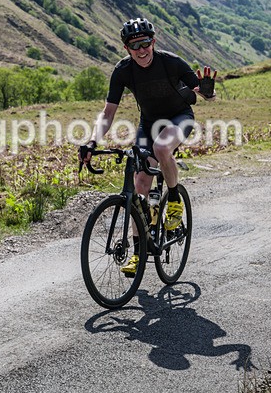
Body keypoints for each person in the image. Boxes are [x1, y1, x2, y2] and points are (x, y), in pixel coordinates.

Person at [79, 17, 217, 275]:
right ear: (127, 48)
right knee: (140, 186)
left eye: (145, 43)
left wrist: (208, 92)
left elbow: (202, 92)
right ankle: (138, 253)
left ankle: (173, 199)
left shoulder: (171, 62)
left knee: (162, 148)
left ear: (153, 41)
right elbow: (107, 113)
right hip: (149, 123)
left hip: (180, 117)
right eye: (135, 46)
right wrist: (92, 141)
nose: (141, 50)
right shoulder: (123, 70)